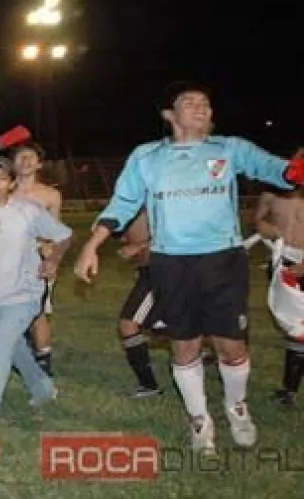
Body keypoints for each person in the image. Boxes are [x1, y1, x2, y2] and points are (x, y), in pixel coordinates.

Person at [74, 81, 304, 454]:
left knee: (231, 347)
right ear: (170, 115)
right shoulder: (146, 157)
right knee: (185, 347)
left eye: (206, 104)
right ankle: (200, 420)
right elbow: (122, 203)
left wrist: (297, 169)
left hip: (223, 260)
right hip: (171, 263)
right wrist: (91, 244)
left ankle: (237, 407)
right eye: (190, 102)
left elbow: (281, 171)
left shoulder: (230, 148)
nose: (201, 108)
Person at [0, 156, 66, 429]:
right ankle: (43, 389)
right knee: (16, 348)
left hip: (25, 295)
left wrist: (53, 259)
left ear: (11, 183)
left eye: (1, 178)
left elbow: (64, 235)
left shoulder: (28, 211)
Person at [253, 149, 304, 406]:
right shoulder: (273, 191)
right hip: (284, 262)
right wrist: (267, 228)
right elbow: (258, 220)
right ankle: (289, 391)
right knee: (295, 327)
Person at [11, 142, 62, 376]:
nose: (25, 161)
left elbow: (56, 231)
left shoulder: (50, 194)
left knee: (36, 313)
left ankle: (43, 362)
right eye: (20, 157)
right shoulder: (4, 191)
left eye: (30, 157)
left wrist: (51, 259)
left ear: (39, 164)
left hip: (37, 258)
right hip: (7, 259)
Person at [113, 208, 168, 398]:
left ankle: (148, 385)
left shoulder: (160, 196)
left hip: (162, 271)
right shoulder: (134, 200)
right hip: (150, 271)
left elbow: (182, 232)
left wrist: (140, 245)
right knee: (165, 328)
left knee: (128, 324)